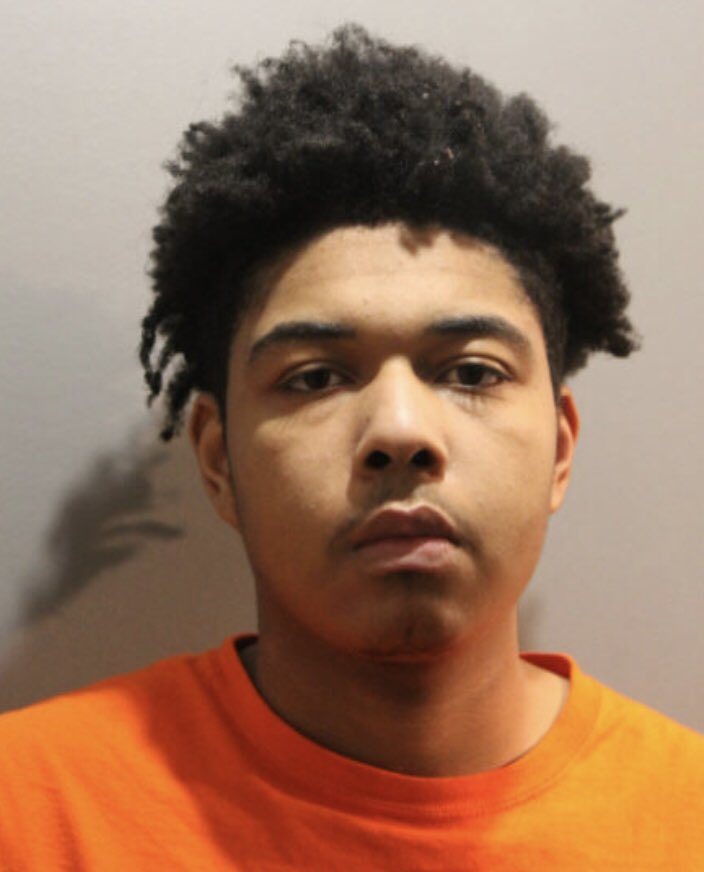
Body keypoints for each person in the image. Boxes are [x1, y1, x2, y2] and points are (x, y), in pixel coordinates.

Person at [1, 23, 702, 870]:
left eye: (471, 372)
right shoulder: (28, 812)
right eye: (315, 378)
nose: (400, 431)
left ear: (558, 449)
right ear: (219, 462)